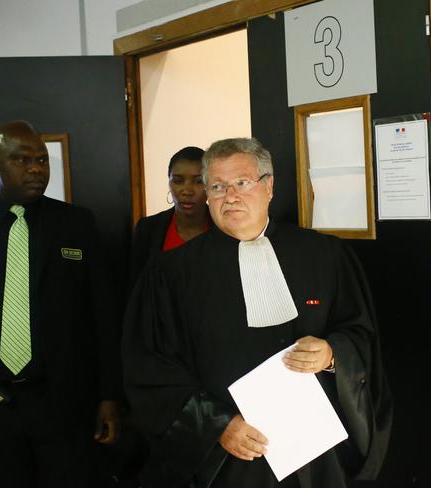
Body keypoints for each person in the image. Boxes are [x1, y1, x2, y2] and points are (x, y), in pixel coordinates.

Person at [122, 138, 392, 488]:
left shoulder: (324, 256)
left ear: (269, 186)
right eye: (217, 186)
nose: (230, 196)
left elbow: (360, 333)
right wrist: (217, 425)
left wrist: (331, 353)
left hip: (316, 455)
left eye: (242, 183)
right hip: (226, 459)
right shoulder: (170, 274)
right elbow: (149, 367)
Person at [0, 120, 122, 487]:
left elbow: (102, 317)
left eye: (42, 160)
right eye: (22, 160)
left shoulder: (76, 224)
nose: (35, 169)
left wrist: (109, 396)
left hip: (61, 401)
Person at [129, 146, 209, 285]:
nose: (187, 191)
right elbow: (135, 287)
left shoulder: (225, 229)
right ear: (169, 183)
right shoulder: (147, 229)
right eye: (178, 181)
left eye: (198, 181)